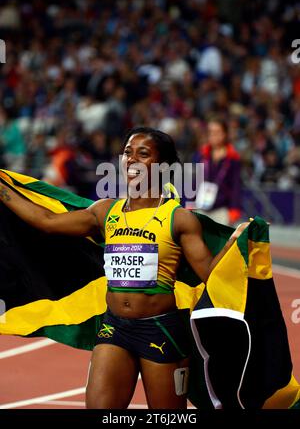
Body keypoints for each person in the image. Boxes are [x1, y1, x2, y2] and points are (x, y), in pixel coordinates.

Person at [0, 127, 249, 409]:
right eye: (127, 153)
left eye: (143, 154)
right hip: (114, 327)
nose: (131, 160)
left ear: (162, 166)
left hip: (161, 330)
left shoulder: (178, 219)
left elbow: (210, 276)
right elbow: (46, 220)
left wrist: (232, 248)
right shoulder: (106, 211)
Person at [193, 118, 242, 225]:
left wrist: (234, 210)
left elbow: (236, 186)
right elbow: (193, 181)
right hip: (200, 208)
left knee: (222, 241)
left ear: (225, 134)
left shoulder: (233, 158)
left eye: (217, 132)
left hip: (222, 210)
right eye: (210, 132)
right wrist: (188, 205)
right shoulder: (200, 155)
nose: (213, 135)